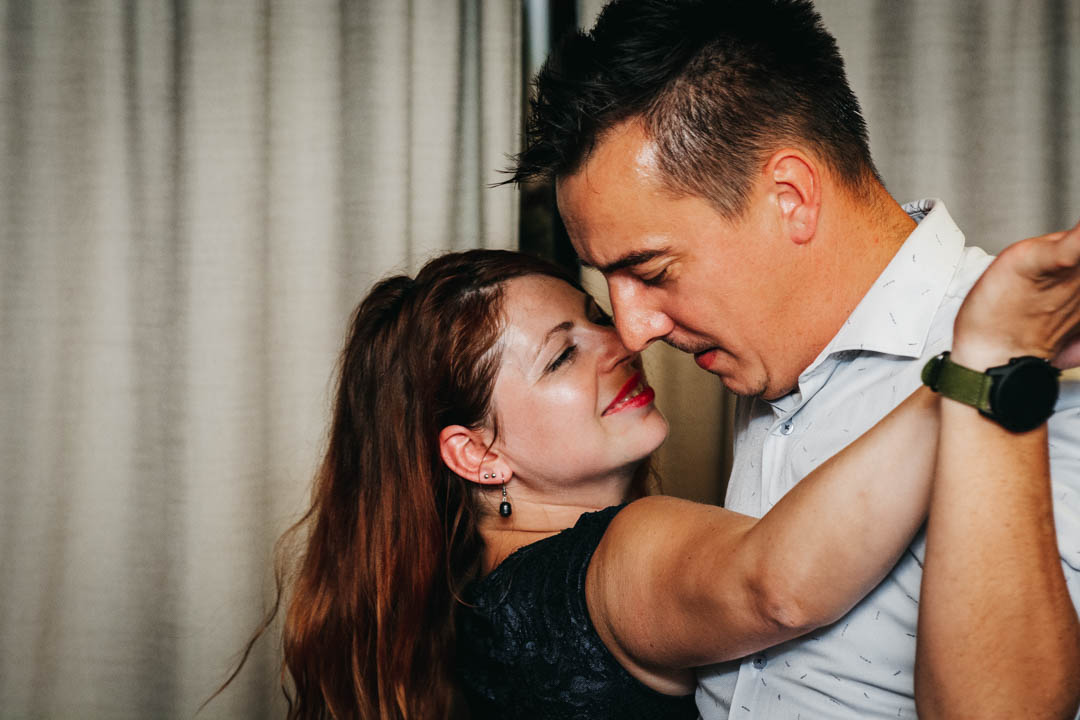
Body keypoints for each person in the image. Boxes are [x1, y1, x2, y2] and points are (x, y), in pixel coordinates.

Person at [213, 240, 1079, 719]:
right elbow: (777, 585)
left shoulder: (476, 599)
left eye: (594, 318)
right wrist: (983, 360)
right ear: (478, 456)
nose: (622, 343)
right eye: (562, 356)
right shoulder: (606, 560)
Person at [510, 0, 1080, 717]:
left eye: (652, 271)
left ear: (790, 198)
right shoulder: (769, 343)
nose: (634, 330)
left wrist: (985, 373)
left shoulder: (1039, 367)